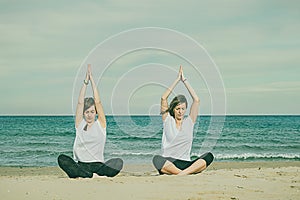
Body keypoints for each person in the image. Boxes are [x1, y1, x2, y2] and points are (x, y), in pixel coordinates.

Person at [58, 64, 123, 178]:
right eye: (87, 112)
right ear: (83, 113)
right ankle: (84, 174)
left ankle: (89, 175)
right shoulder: (80, 124)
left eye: (92, 112)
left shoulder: (101, 125)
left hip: (98, 166)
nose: (89, 115)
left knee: (118, 162)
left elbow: (98, 102)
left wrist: (92, 80)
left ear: (96, 113)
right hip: (81, 165)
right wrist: (85, 82)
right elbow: (80, 103)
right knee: (62, 159)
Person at [152, 66, 214, 175]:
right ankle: (184, 174)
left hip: (186, 163)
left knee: (209, 156)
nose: (180, 112)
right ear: (173, 109)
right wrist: (177, 80)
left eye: (183, 109)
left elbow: (196, 100)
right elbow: (163, 98)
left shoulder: (189, 122)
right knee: (157, 159)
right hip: (169, 163)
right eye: (177, 109)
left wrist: (184, 80)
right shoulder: (168, 120)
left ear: (186, 110)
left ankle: (181, 174)